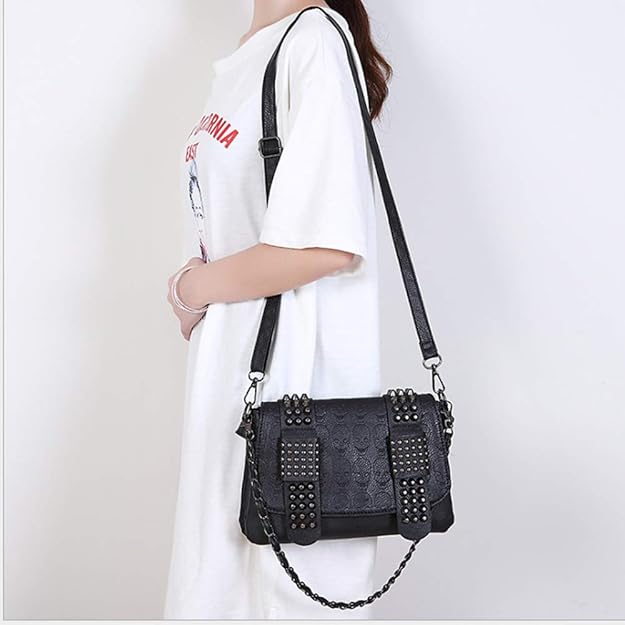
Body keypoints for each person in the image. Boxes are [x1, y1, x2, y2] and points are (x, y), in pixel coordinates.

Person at [164, 0, 393, 619]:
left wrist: (193, 289)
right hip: (233, 385)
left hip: (294, 406)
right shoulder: (253, 53)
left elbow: (326, 245)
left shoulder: (312, 40)